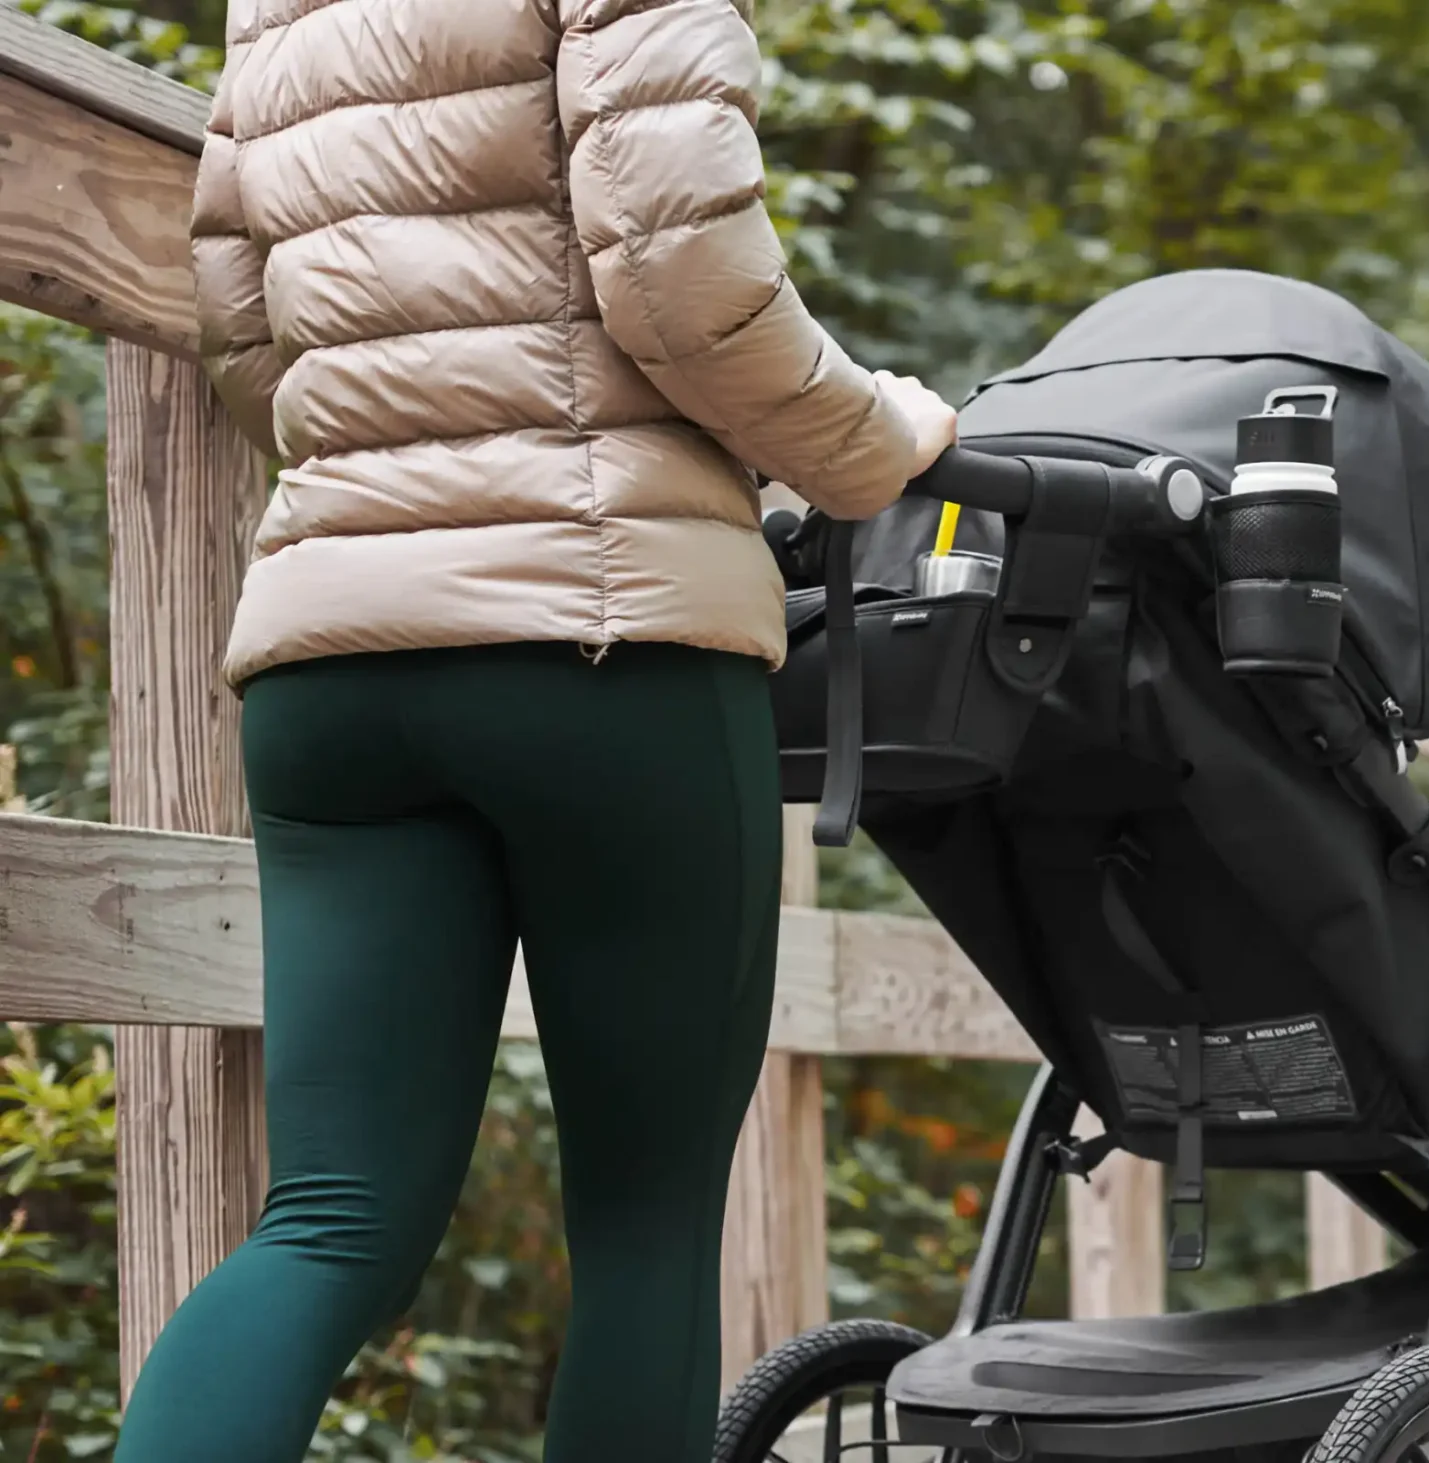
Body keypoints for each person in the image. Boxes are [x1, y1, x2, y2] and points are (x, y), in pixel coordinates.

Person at [112, 1, 955, 1458]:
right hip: (603, 635)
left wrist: (398, 504)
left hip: (335, 666)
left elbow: (242, 323)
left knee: (327, 1225)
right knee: (645, 1227)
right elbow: (686, 275)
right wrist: (878, 444)